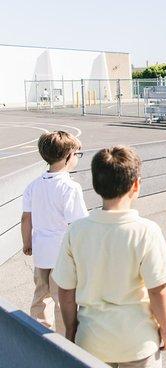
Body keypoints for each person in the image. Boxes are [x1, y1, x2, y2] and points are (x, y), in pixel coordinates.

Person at [52, 146, 166, 367]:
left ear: (96, 184)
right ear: (136, 184)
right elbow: (158, 288)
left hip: (91, 342)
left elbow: (66, 291)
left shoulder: (77, 231)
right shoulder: (146, 231)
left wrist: (71, 329)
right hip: (138, 342)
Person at [21, 131, 87, 334]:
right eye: (77, 154)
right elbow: (78, 225)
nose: (77, 157)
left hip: (40, 252)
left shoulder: (33, 185)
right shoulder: (70, 187)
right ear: (68, 156)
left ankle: (38, 333)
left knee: (41, 296)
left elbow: (26, 219)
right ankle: (64, 339)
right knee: (62, 300)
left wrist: (27, 243)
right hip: (62, 255)